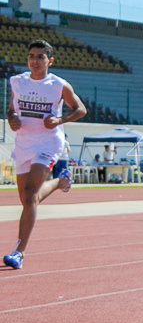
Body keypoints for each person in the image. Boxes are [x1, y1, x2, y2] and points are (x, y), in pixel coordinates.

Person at [4, 40, 87, 270]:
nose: (35, 60)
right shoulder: (17, 81)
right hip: (23, 143)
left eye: (40, 57)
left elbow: (81, 109)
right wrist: (12, 119)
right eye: (32, 56)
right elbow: (12, 108)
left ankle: (19, 252)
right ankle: (61, 181)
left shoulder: (58, 85)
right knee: (28, 199)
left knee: (30, 194)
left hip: (48, 143)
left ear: (50, 61)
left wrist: (60, 120)